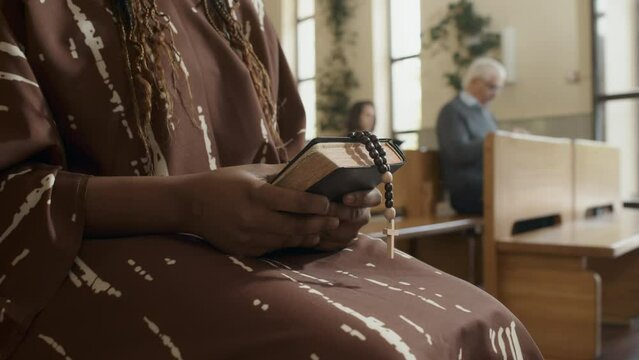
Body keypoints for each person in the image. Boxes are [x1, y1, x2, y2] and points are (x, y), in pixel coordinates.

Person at [0, 2, 541, 358]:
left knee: (488, 320)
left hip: (261, 248)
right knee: (370, 350)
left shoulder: (235, 6)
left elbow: (280, 148)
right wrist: (185, 205)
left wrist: (319, 208)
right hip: (87, 252)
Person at [436, 57, 506, 215]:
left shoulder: (488, 115)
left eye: (498, 88)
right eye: (492, 87)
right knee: (515, 195)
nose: (495, 94)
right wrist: (494, 140)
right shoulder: (452, 111)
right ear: (475, 82)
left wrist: (507, 141)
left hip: (489, 182)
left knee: (532, 194)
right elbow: (457, 153)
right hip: (466, 189)